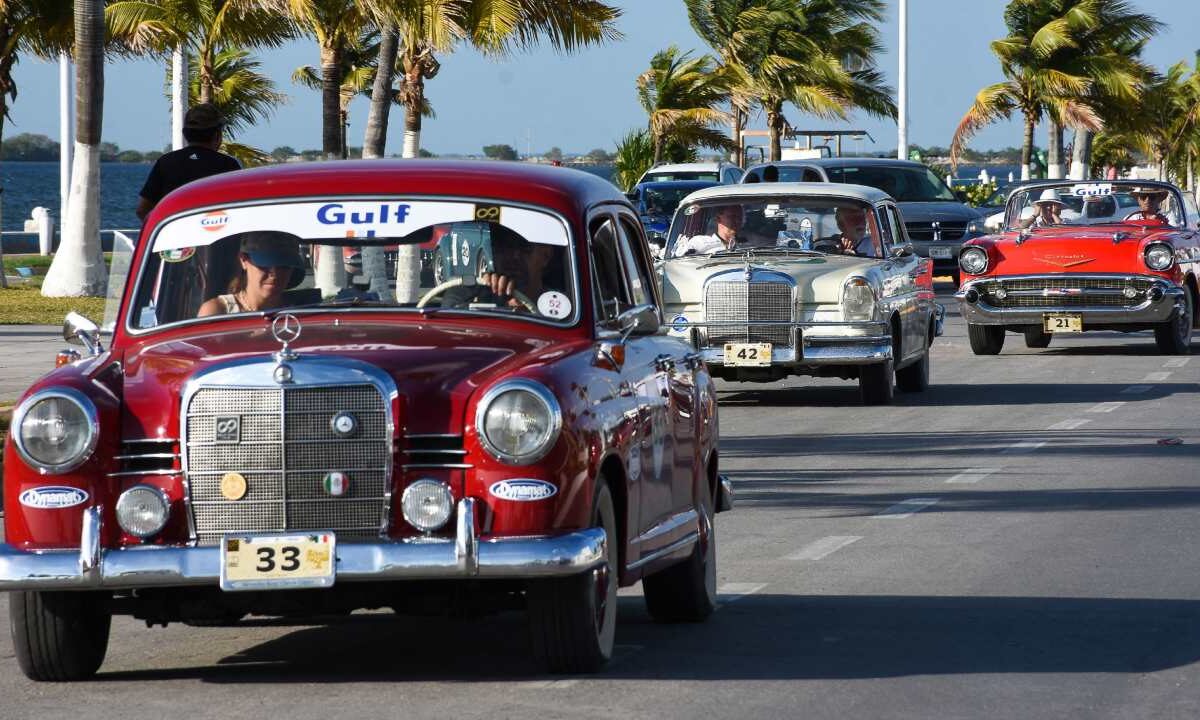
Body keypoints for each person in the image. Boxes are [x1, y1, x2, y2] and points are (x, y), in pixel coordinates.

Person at [136, 103, 242, 221]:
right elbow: (240, 210)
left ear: (185, 133)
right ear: (217, 135)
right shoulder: (228, 165)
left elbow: (142, 210)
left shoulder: (165, 163)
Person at [442, 225, 556, 311]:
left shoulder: (559, 308)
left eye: (524, 247)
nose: (513, 256)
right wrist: (481, 296)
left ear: (545, 255)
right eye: (503, 246)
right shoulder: (476, 294)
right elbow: (448, 314)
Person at [197, 232, 307, 317]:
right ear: (243, 260)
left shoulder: (304, 311)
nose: (275, 273)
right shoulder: (217, 311)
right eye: (265, 263)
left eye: (284, 265)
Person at [672, 205, 744, 256]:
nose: (737, 220)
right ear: (718, 218)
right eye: (732, 216)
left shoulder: (751, 244)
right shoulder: (699, 243)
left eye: (740, 217)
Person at [813, 205, 880, 257]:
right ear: (841, 225)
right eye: (853, 218)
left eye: (862, 217)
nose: (860, 222)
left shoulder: (875, 244)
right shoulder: (827, 245)